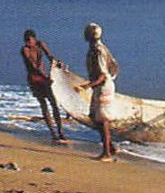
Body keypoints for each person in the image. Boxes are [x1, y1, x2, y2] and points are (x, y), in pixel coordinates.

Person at [74, 22, 119, 161]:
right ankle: (110, 147)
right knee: (94, 116)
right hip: (101, 85)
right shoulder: (96, 48)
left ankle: (107, 153)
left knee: (102, 119)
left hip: (103, 86)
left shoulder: (98, 50)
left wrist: (88, 86)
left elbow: (103, 75)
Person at [21, 29, 69, 144]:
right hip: (34, 79)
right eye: (26, 40)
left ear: (34, 39)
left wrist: (57, 63)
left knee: (54, 104)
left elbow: (50, 56)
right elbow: (33, 66)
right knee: (44, 105)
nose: (28, 42)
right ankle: (53, 134)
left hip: (44, 78)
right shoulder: (25, 50)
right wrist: (46, 77)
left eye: (29, 40)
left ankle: (61, 132)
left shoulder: (40, 44)